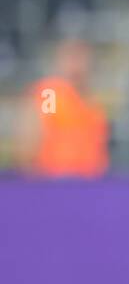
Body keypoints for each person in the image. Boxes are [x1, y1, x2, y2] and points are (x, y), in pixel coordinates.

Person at [15, 37, 108, 178]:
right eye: (71, 57)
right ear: (59, 60)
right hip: (55, 182)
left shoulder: (92, 100)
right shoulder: (51, 94)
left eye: (81, 57)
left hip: (89, 181)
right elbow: (32, 137)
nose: (77, 64)